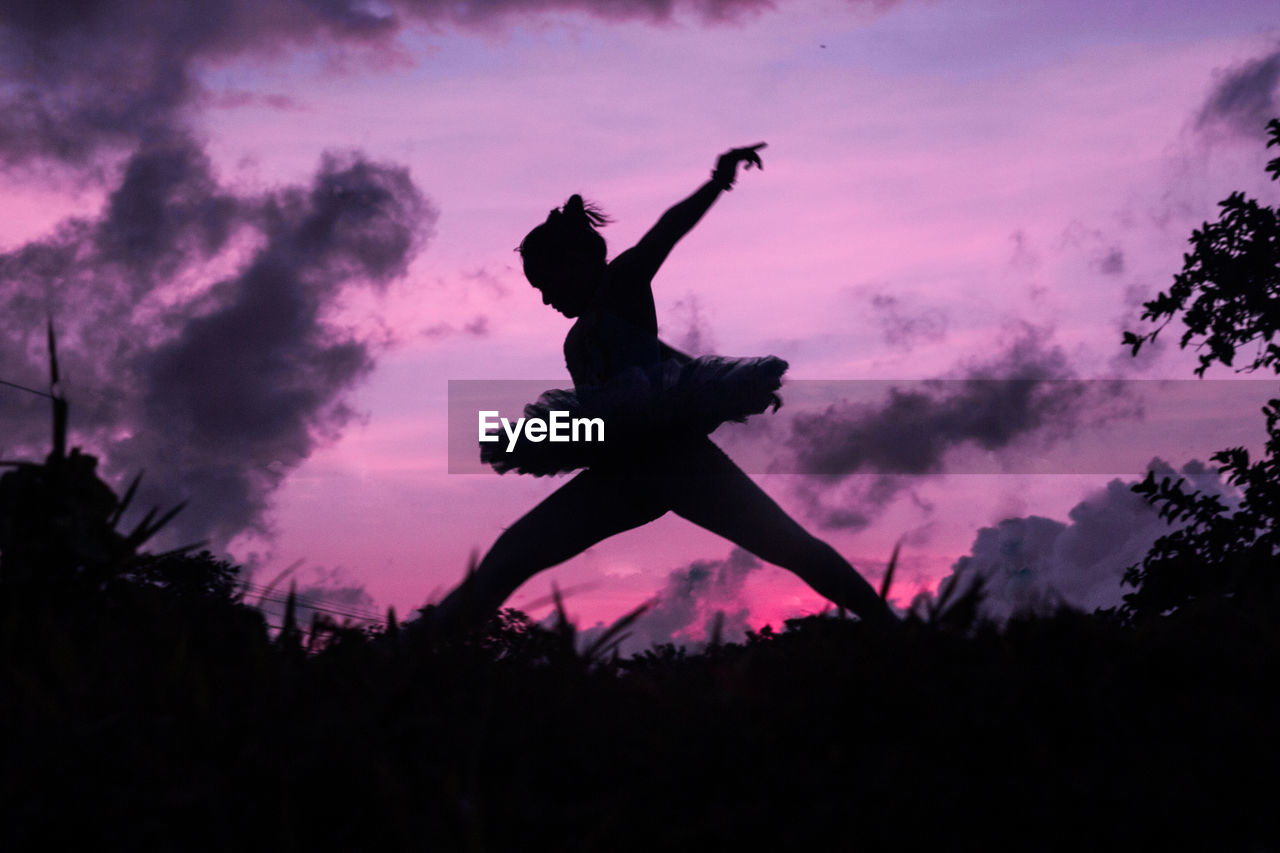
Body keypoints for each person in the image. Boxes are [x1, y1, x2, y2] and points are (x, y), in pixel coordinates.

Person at [432, 144, 897, 631]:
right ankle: (415, 652)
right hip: (621, 471)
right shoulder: (586, 329)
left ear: (575, 263)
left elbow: (667, 231)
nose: (546, 299)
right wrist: (724, 385)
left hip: (676, 463)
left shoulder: (622, 283)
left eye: (546, 284)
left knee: (787, 545)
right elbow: (665, 363)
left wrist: (718, 182)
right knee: (513, 555)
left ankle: (896, 630)